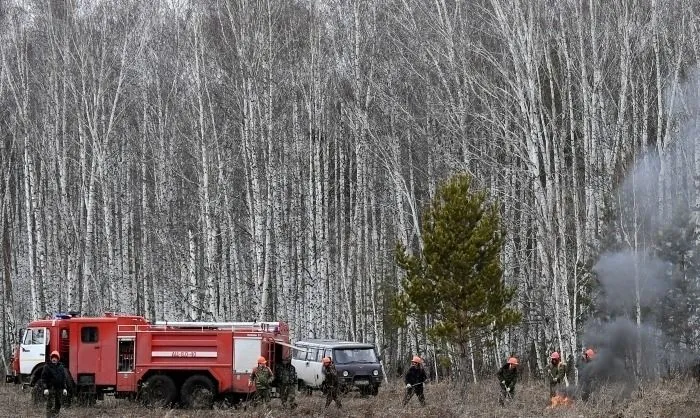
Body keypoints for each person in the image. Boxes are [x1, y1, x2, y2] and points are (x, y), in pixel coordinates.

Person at [41, 351, 67, 418]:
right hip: (50, 389)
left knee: (58, 403)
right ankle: (49, 416)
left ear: (58, 359)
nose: (54, 359)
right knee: (50, 404)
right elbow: (43, 379)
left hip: (59, 389)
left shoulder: (61, 367)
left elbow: (63, 378)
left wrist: (64, 388)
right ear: (51, 358)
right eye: (53, 357)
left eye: (55, 357)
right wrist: (45, 388)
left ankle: (56, 416)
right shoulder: (47, 367)